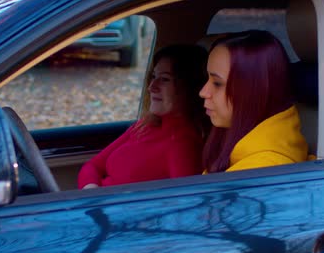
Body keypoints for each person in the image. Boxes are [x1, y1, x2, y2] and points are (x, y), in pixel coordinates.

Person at [78, 44, 209, 189]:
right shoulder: (145, 125)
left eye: (165, 79)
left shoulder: (184, 144)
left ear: (189, 87)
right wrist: (91, 191)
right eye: (153, 76)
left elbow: (186, 203)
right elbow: (93, 165)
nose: (151, 86)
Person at [199, 30, 309, 173]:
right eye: (207, 78)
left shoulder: (262, 169)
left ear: (253, 90)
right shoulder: (237, 144)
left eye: (217, 83)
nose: (202, 92)